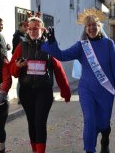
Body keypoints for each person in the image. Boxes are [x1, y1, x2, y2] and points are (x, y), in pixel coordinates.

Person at [42, 8, 115, 153]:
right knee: (90, 120)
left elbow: (114, 68)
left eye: (94, 25)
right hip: (87, 90)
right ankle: (89, 149)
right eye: (88, 26)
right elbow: (61, 55)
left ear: (99, 27)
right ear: (85, 29)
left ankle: (105, 138)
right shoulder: (81, 46)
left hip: (106, 90)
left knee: (104, 123)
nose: (92, 28)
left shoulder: (108, 44)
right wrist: (52, 42)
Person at [9, 12, 71, 153]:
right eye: (29, 28)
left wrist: (65, 91)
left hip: (44, 92)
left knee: (40, 122)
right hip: (26, 91)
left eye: (35, 28)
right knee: (32, 122)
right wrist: (17, 67)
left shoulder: (49, 46)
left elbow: (59, 69)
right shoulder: (21, 46)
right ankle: (35, 150)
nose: (32, 31)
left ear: (42, 30)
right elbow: (12, 71)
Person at [12, 21, 28, 104]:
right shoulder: (17, 36)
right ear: (20, 26)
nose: (26, 28)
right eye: (25, 26)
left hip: (25, 60)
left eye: (27, 26)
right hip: (19, 60)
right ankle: (19, 98)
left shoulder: (24, 36)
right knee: (20, 80)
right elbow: (15, 50)